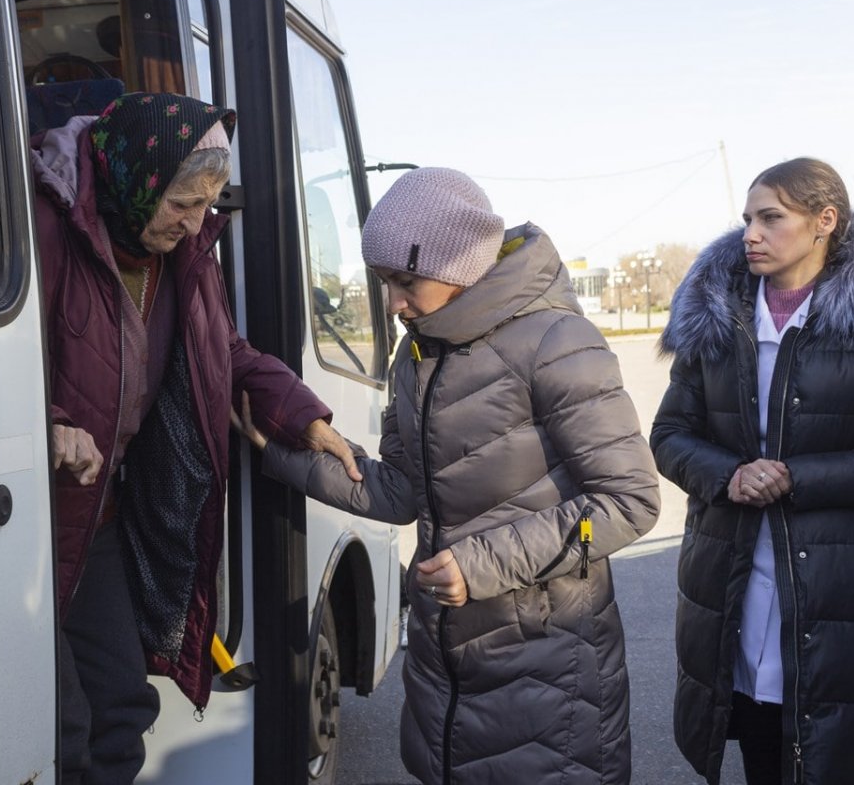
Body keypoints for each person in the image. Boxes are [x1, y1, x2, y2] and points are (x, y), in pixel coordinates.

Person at [234, 167, 661, 784]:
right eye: (383, 282)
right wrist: (275, 450)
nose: (394, 303)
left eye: (406, 281)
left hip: (548, 667)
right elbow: (400, 489)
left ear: (463, 265)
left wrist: (480, 565)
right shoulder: (417, 355)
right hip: (446, 665)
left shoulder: (558, 340)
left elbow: (630, 502)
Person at [30, 92, 360, 784]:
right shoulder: (43, 230)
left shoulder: (183, 256)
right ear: (135, 175)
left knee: (120, 713)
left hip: (97, 516)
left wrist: (307, 419)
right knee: (56, 729)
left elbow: (227, 353)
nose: (192, 223)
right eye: (181, 202)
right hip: (25, 521)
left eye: (207, 204)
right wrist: (49, 420)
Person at [650, 157, 854, 785]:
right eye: (748, 218)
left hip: (842, 596)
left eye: (771, 218)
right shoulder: (715, 315)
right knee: (762, 752)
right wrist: (731, 475)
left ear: (824, 221)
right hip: (733, 586)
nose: (751, 232)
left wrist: (798, 477)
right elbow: (668, 436)